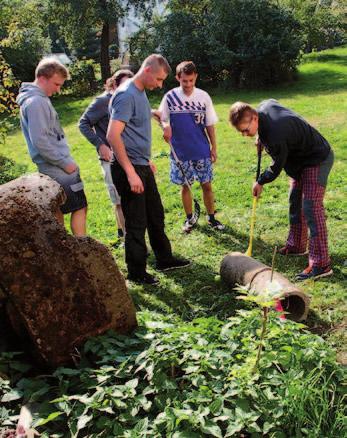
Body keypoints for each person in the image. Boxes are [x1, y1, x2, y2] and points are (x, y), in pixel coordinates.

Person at [107, 54, 190, 285]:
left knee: (155, 214)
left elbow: (143, 115)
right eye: (160, 79)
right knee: (136, 222)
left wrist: (162, 122)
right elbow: (112, 136)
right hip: (129, 168)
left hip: (141, 164)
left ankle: (164, 259)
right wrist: (131, 172)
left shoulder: (139, 92)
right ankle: (137, 272)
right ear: (147, 71)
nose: (160, 85)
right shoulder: (125, 95)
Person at [229, 99, 334, 281]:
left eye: (246, 130)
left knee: (311, 207)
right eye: (241, 131)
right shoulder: (262, 108)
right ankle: (297, 246)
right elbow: (272, 102)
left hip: (316, 158)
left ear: (254, 119)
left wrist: (260, 181)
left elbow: (276, 167)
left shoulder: (276, 135)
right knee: (295, 201)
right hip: (299, 158)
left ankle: (321, 264)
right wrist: (259, 136)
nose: (244, 134)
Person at [17, 58, 87, 236]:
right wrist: (64, 163)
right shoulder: (36, 102)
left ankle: (63, 251)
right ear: (42, 78)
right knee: (80, 206)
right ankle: (82, 249)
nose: (58, 89)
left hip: (51, 166)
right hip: (56, 167)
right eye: (56, 84)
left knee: (58, 209)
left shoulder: (36, 99)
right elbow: (40, 141)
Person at [157, 61, 225, 233]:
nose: (188, 84)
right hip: (180, 152)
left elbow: (210, 124)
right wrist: (165, 126)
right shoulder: (170, 97)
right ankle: (190, 218)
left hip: (201, 150)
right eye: (184, 81)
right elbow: (162, 118)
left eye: (191, 81)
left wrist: (213, 148)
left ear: (196, 78)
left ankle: (211, 217)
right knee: (185, 186)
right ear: (178, 78)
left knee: (207, 185)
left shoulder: (203, 97)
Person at [78, 69, 134, 240]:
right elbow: (83, 123)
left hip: (129, 156)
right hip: (110, 159)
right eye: (124, 85)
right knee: (119, 200)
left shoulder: (128, 100)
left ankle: (122, 232)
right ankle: (128, 238)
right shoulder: (102, 101)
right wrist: (100, 144)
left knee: (128, 198)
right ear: (114, 84)